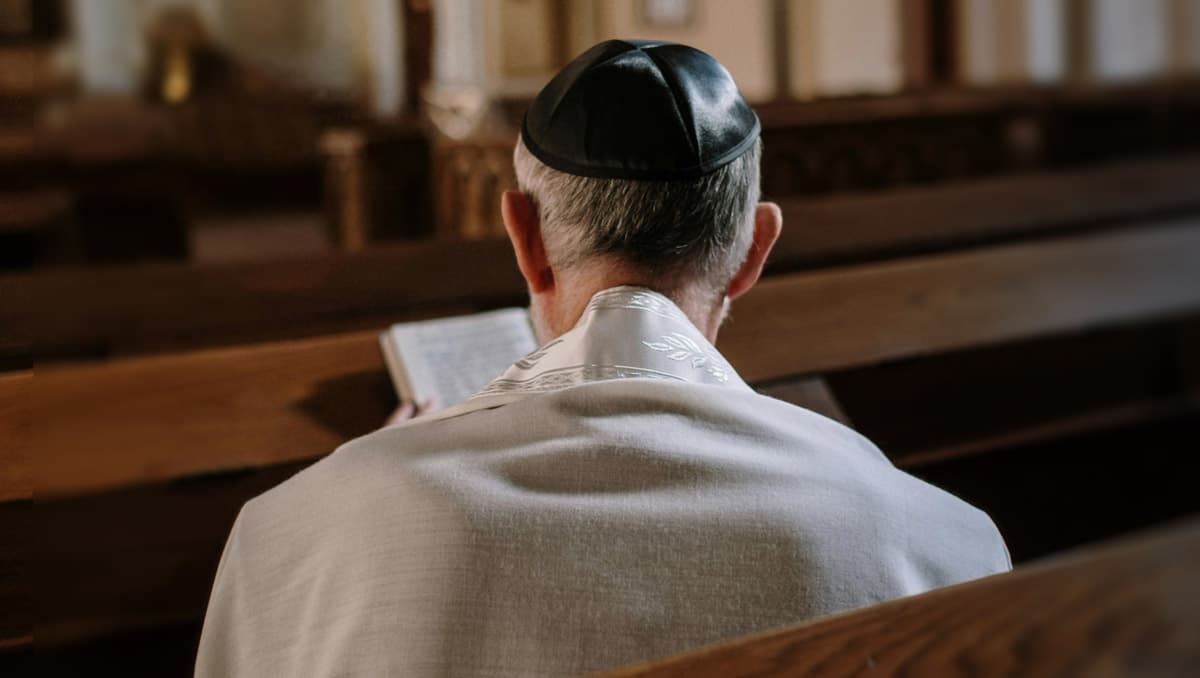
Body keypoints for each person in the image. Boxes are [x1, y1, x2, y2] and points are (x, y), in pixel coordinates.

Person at [195, 40, 1010, 677]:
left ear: (522, 237)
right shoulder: (944, 542)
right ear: (754, 250)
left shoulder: (296, 538)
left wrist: (383, 468)